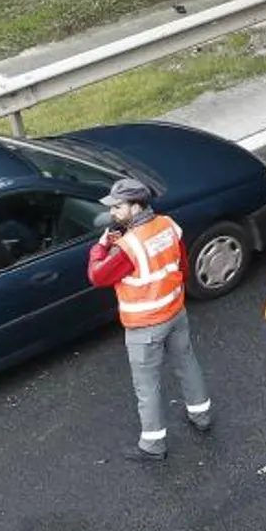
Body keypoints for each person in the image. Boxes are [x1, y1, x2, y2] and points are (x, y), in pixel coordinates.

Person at [86, 177, 213, 462]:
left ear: (135, 206)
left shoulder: (127, 247)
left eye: (118, 207)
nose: (113, 213)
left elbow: (97, 276)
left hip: (146, 325)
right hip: (176, 312)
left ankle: (153, 445)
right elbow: (180, 263)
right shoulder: (167, 225)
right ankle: (201, 415)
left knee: (147, 385)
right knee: (186, 362)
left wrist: (101, 247)